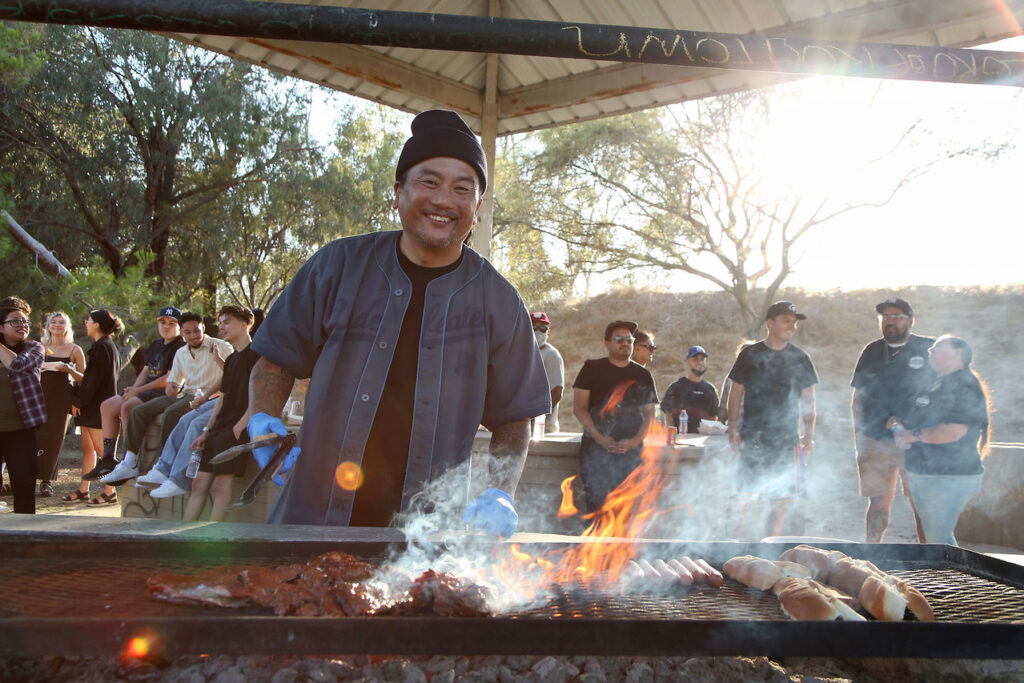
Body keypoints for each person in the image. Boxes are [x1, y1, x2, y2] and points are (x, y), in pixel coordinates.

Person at [245, 109, 550, 533]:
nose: (444, 200)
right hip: (311, 519)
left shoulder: (498, 301)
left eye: (463, 189)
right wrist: (264, 419)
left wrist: (501, 490)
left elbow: (515, 416)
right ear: (398, 193)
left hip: (424, 539)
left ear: (477, 207)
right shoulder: (337, 267)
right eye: (429, 182)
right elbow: (275, 362)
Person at [88, 311, 231, 481]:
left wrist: (218, 360)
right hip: (187, 394)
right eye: (188, 332)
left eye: (196, 331)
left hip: (211, 396)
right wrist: (172, 388)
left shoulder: (221, 346)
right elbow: (174, 383)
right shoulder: (181, 352)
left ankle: (163, 464)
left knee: (171, 413)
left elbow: (232, 374)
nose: (193, 336)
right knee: (138, 411)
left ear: (204, 328)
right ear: (183, 332)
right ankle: (129, 462)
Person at [726, 302, 818, 539]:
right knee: (741, 500)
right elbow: (735, 393)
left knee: (778, 503)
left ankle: (768, 551)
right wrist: (733, 428)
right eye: (786, 320)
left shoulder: (800, 358)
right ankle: (730, 548)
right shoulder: (750, 354)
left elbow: (809, 401)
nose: (792, 326)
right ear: (770, 323)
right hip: (752, 439)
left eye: (794, 322)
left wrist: (808, 435)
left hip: (786, 442)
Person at [890, 336, 990, 546]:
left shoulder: (965, 385)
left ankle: (953, 578)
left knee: (939, 538)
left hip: (949, 475)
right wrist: (901, 427)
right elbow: (919, 421)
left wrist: (913, 436)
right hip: (927, 472)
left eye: (938, 347)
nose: (931, 351)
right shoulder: (935, 382)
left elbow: (954, 431)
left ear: (958, 353)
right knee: (932, 535)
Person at [851, 296, 933, 543]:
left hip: (917, 441)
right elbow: (859, 396)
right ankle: (872, 554)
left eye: (897, 316)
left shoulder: (929, 347)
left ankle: (929, 555)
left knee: (921, 503)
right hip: (875, 438)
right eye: (885, 317)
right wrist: (859, 434)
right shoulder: (872, 350)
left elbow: (946, 390)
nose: (890, 322)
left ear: (910, 320)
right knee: (878, 502)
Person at [183, 305, 260, 521]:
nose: (222, 327)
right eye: (221, 322)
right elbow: (223, 398)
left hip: (236, 432)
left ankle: (211, 538)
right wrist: (207, 430)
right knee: (198, 483)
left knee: (221, 484)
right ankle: (178, 538)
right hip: (218, 429)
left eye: (227, 321)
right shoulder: (232, 360)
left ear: (244, 324)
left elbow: (261, 397)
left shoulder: (257, 357)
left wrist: (239, 427)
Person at [572, 320, 657, 513]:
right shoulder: (591, 369)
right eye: (619, 339)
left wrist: (635, 442)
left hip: (631, 455)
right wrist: (600, 438)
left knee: (627, 513)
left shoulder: (643, 374)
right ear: (607, 343)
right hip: (595, 452)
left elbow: (650, 414)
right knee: (597, 509)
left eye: (629, 339)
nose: (625, 343)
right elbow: (579, 408)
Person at [97, 306, 184, 484]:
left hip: (162, 391)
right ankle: (107, 459)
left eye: (171, 323)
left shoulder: (180, 346)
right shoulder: (156, 344)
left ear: (179, 326)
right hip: (144, 389)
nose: (165, 326)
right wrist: (132, 389)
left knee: (128, 406)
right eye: (162, 322)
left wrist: (138, 391)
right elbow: (146, 370)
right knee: (107, 406)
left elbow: (169, 379)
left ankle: (129, 460)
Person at [67, 309, 123, 505]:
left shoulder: (103, 348)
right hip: (95, 407)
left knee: (103, 453)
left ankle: (110, 492)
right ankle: (84, 490)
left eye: (89, 320)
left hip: (98, 409)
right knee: (87, 448)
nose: (86, 322)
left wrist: (78, 401)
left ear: (97, 324)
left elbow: (94, 382)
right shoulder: (103, 346)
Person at [0, 297, 46, 513]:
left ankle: (27, 537)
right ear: (1, 326)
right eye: (15, 321)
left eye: (25, 322)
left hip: (21, 429)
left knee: (24, 484)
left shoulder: (35, 348)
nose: (22, 326)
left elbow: (17, 364)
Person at [36, 312, 86, 498]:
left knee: (54, 439)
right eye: (53, 322)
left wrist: (69, 370)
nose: (57, 325)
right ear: (48, 326)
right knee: (35, 436)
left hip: (62, 399)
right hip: (39, 397)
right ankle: (26, 476)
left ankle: (46, 481)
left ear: (67, 327)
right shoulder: (40, 347)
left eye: (61, 322)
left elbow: (85, 378)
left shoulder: (74, 349)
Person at [661, 345, 721, 434]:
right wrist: (673, 435)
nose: (700, 362)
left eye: (702, 359)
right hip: (681, 438)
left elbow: (714, 417)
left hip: (702, 440)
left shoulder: (710, 389)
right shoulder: (676, 387)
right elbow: (668, 413)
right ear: (687, 362)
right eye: (695, 359)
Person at [532, 311, 564, 434]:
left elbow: (556, 392)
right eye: (534, 327)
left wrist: (534, 418)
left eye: (543, 328)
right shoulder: (519, 353)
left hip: (543, 429)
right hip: (522, 427)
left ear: (548, 332)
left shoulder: (551, 354)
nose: (538, 332)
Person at [718, 339, 756, 424]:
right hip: (734, 430)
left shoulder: (763, 379)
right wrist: (720, 426)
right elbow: (723, 408)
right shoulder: (729, 379)